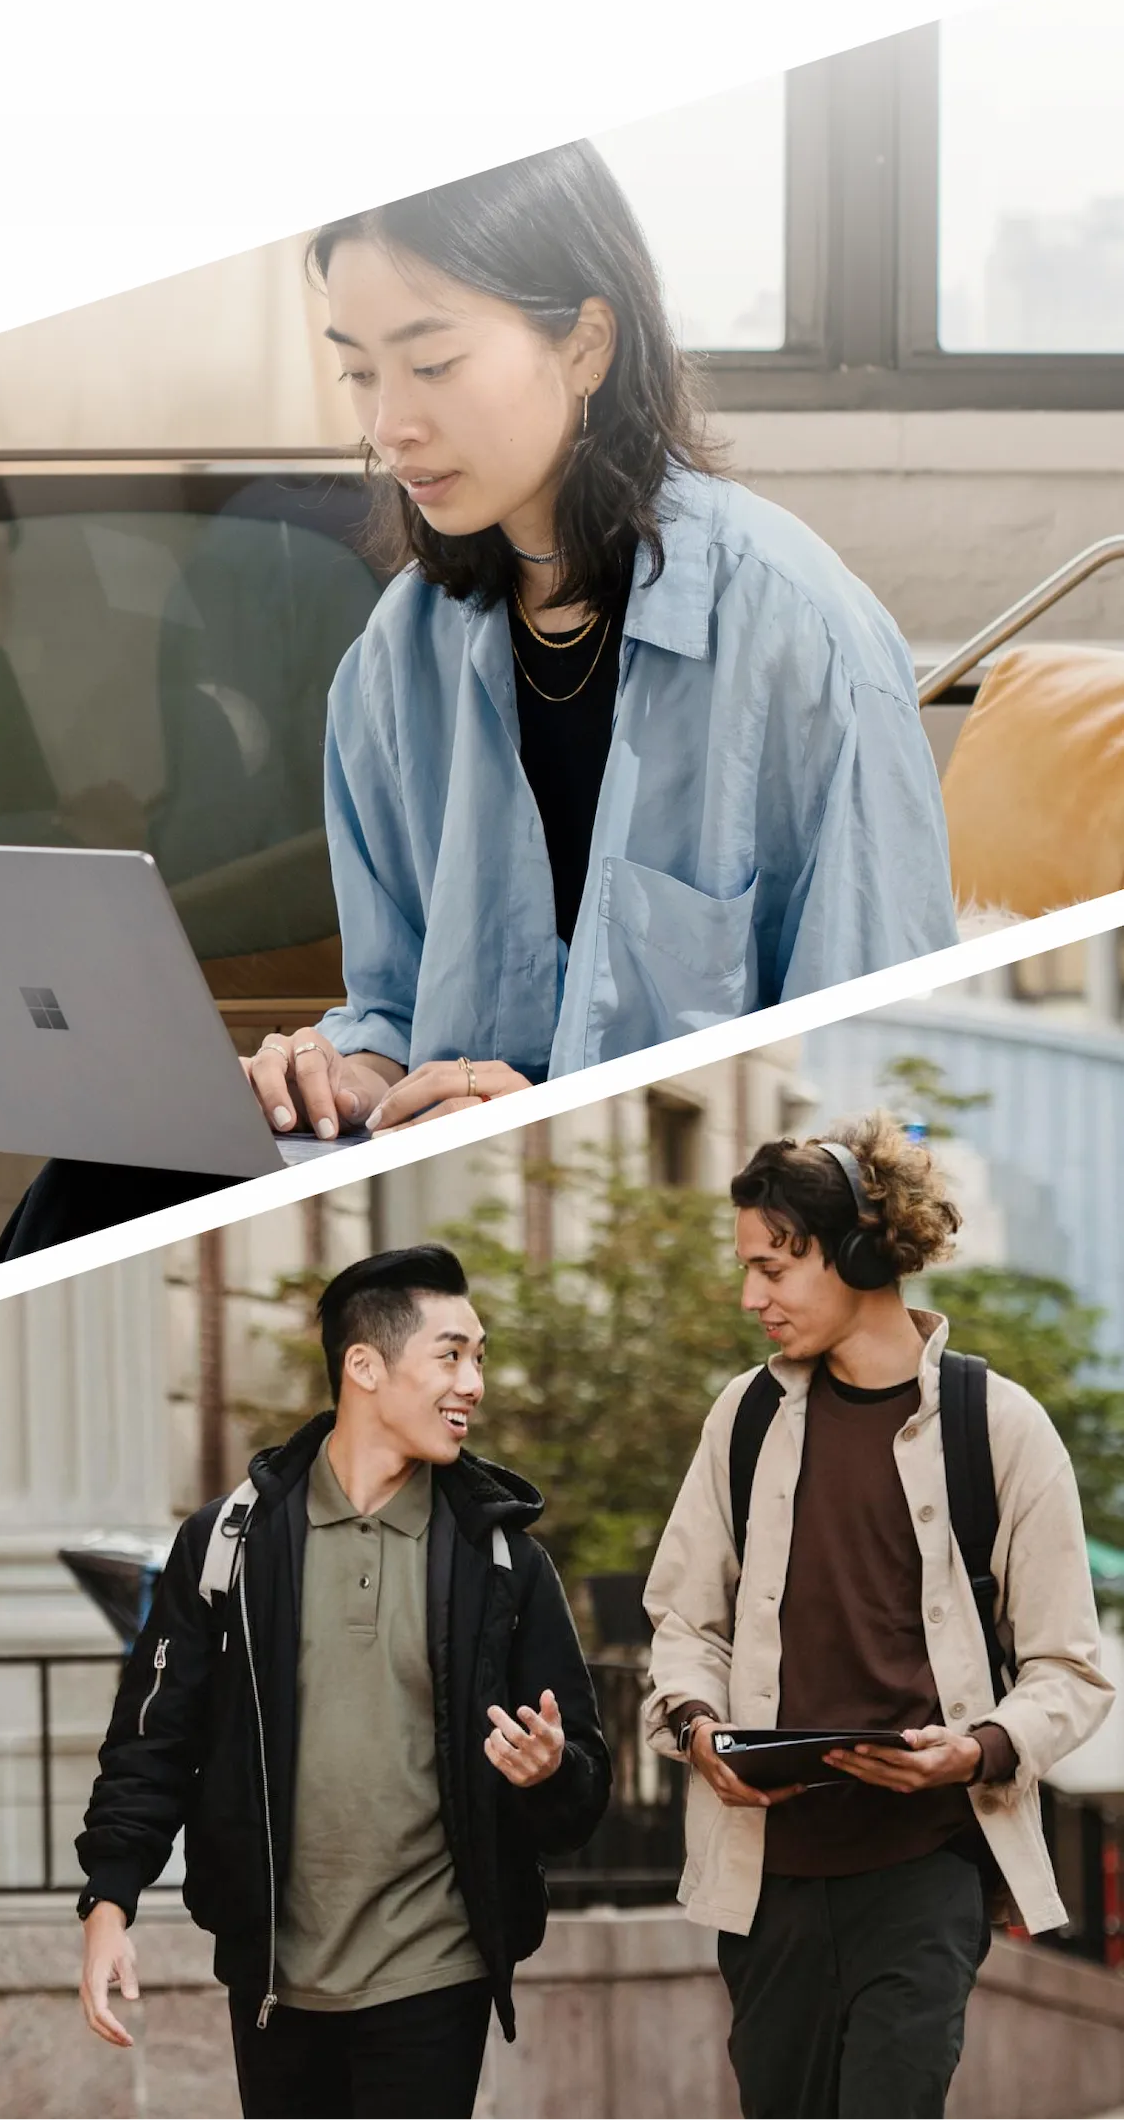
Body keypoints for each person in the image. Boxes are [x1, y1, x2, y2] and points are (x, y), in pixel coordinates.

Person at [242, 143, 959, 1147]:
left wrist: (560, 1126)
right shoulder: (392, 658)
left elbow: (874, 1092)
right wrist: (340, 1072)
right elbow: (393, 1012)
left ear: (584, 343)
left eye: (433, 363)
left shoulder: (801, 643)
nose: (388, 424)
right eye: (358, 372)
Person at [642, 1117, 1113, 2120]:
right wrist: (694, 1728)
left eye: (772, 1267)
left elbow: (1069, 1668)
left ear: (858, 1252)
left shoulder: (1001, 1426)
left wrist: (976, 1748)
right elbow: (684, 1620)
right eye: (744, 1270)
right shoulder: (744, 1416)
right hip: (763, 1878)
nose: (748, 1297)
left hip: (920, 1872)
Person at [74, 1243, 610, 2120]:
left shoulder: (502, 1558)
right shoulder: (229, 1546)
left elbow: (586, 1784)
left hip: (436, 1968)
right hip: (276, 1973)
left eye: (480, 1357)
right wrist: (109, 1903)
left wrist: (552, 1771)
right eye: (451, 1355)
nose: (474, 1381)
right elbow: (152, 1739)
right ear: (364, 1365)